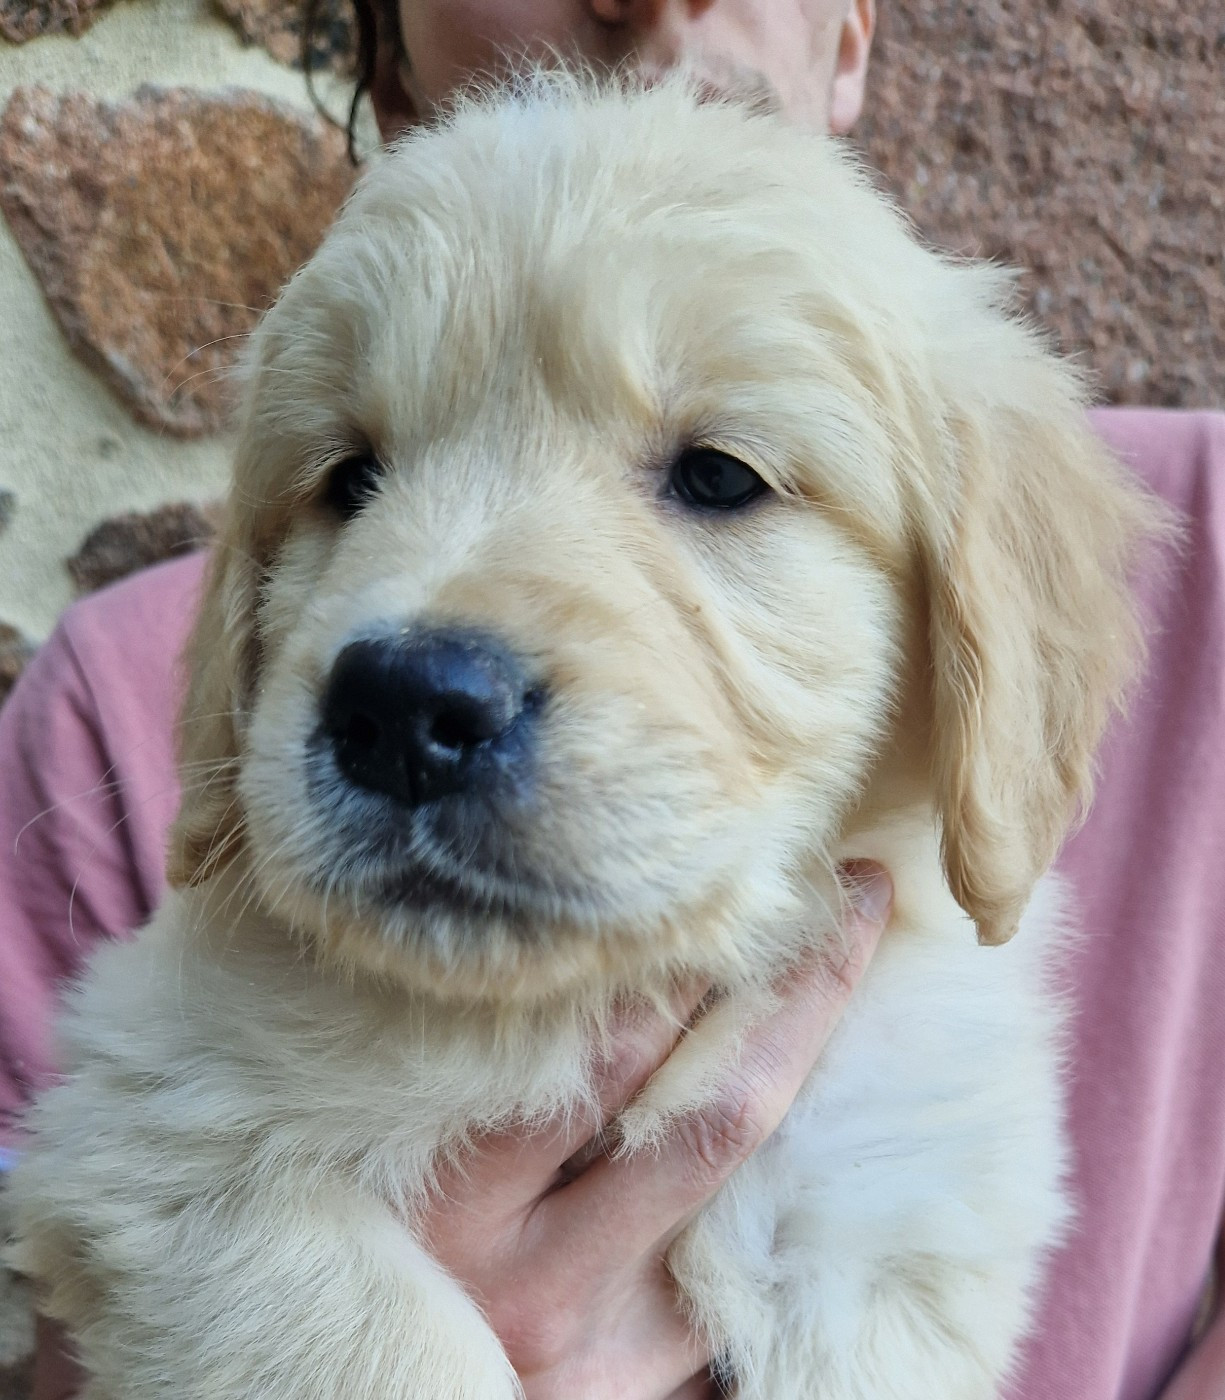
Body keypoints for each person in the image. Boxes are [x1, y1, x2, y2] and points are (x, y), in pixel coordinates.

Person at [0, 3, 1221, 1398]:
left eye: (716, 477)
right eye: (351, 480)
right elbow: (141, 1194)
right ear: (384, 62)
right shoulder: (105, 722)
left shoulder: (941, 1050)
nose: (420, 642)